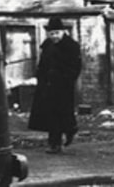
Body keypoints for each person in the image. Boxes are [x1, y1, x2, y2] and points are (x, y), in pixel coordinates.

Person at [28, 17, 82, 153]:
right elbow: (42, 64)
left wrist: (67, 79)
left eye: (57, 33)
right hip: (48, 85)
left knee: (64, 113)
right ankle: (54, 144)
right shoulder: (47, 45)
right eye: (51, 34)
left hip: (63, 85)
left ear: (63, 32)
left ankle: (70, 130)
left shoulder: (71, 46)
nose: (54, 36)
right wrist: (40, 78)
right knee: (51, 115)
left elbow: (76, 67)